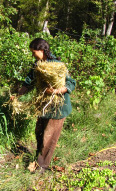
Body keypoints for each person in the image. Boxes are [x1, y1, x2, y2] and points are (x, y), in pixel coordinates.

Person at [14, 38, 76, 172]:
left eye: (34, 52)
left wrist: (58, 90)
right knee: (40, 133)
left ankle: (42, 166)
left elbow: (71, 83)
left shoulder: (57, 65)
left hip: (58, 107)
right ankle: (39, 159)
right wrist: (17, 95)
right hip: (44, 105)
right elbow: (28, 82)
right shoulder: (37, 65)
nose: (33, 55)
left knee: (49, 137)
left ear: (42, 50)